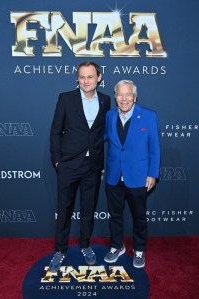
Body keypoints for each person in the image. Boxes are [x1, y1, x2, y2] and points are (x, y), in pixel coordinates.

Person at [49, 61, 110, 272]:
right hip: (68, 164)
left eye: (90, 77)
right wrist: (57, 160)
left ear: (99, 78)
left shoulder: (105, 100)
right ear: (78, 78)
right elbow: (56, 130)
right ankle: (60, 250)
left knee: (88, 209)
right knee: (64, 209)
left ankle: (85, 245)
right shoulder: (66, 98)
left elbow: (102, 130)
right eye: (82, 77)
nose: (86, 81)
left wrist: (94, 148)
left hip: (92, 165)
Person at [104, 80, 160, 268]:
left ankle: (139, 250)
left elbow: (154, 148)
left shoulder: (148, 116)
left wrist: (152, 174)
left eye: (128, 95)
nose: (124, 99)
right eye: (120, 94)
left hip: (138, 176)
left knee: (139, 217)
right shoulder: (109, 116)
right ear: (115, 96)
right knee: (115, 215)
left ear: (135, 97)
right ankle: (117, 246)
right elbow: (98, 139)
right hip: (113, 175)